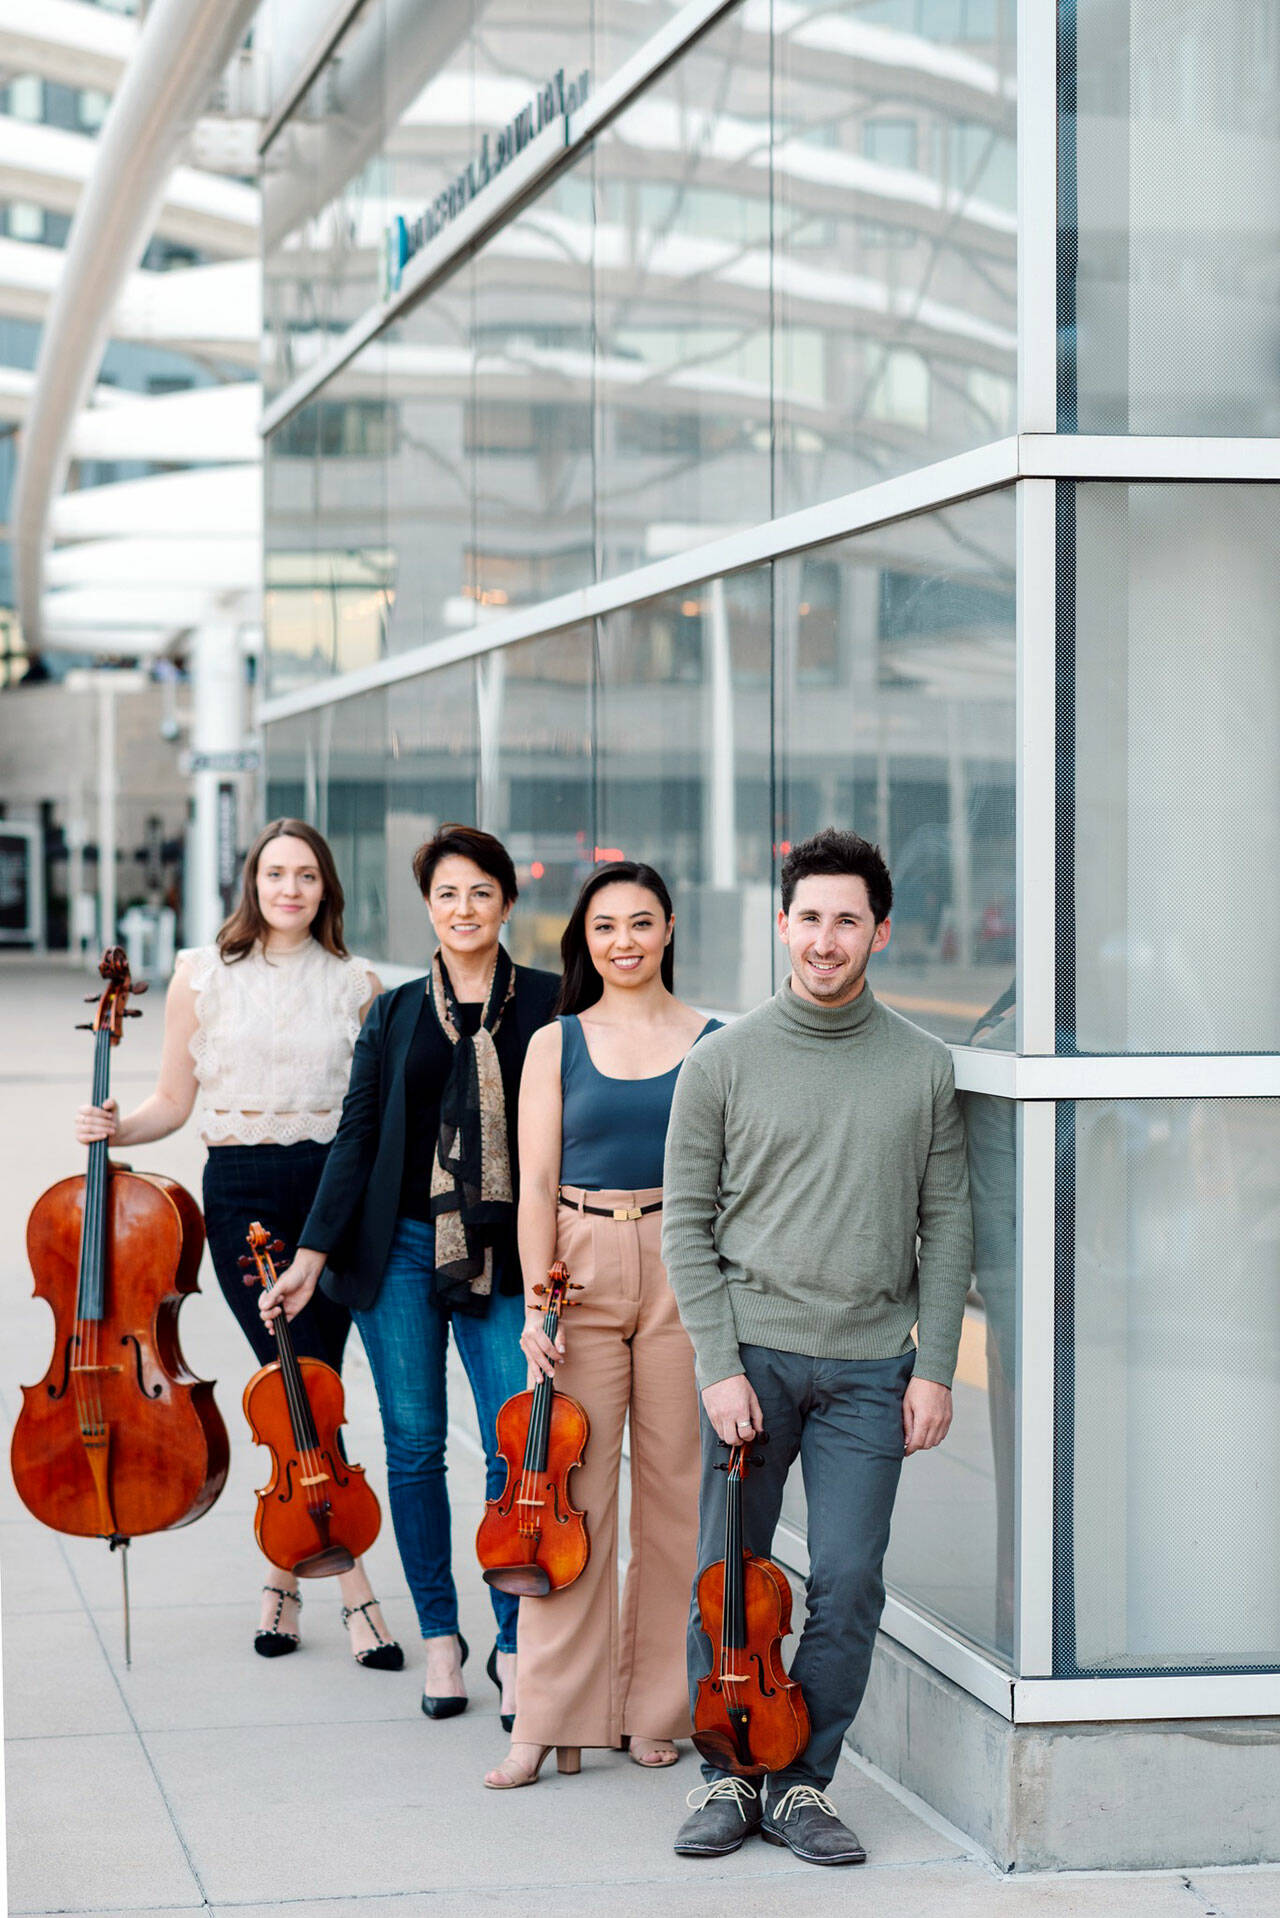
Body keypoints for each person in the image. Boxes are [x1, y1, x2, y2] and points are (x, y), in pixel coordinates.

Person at [663, 827, 973, 1868]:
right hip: (750, 1360)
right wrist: (716, 1366)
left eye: (847, 919)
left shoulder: (922, 1067)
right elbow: (685, 1226)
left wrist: (935, 1368)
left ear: (879, 932)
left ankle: (798, 1783)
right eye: (809, 918)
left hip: (870, 1370)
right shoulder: (722, 1060)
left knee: (847, 1578)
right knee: (726, 1577)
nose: (825, 938)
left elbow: (948, 1223)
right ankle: (726, 1772)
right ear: (781, 924)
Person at [75, 818, 397, 1667]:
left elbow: (363, 1120)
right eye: (275, 873)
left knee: (313, 1386)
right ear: (252, 883)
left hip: (332, 1198)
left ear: (326, 888)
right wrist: (116, 1128)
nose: (290, 889)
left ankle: (282, 1581)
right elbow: (173, 1102)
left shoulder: (356, 983)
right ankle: (354, 1588)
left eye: (306, 876)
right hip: (242, 1197)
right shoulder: (201, 976)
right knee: (290, 1379)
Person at [260, 825, 558, 1724]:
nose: (464, 910)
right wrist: (310, 1256)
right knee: (416, 1446)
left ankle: (515, 1641)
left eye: (480, 893)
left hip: (503, 1252)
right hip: (397, 1247)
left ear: (507, 902)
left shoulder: (551, 1003)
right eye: (446, 895)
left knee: (515, 1448)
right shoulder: (391, 1014)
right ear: (427, 907)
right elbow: (356, 1138)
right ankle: (440, 1638)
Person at [484, 861, 719, 1790]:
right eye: (605, 926)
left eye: (641, 922)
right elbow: (534, 1182)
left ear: (669, 929)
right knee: (564, 1496)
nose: (624, 941)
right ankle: (550, 1721)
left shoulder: (714, 1042)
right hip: (573, 1264)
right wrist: (533, 1307)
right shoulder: (557, 1042)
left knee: (674, 1493)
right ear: (585, 940)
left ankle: (654, 1709)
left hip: (680, 1259)